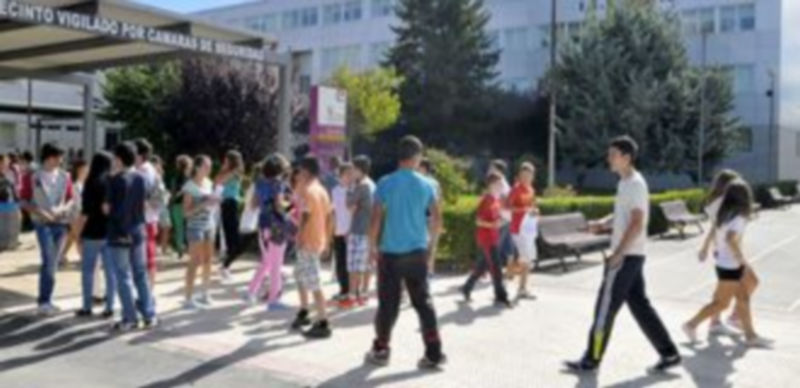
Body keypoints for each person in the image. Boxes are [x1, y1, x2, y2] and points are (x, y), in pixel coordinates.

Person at [565, 136, 680, 374]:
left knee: (604, 308)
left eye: (613, 155)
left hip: (626, 257)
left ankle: (591, 359)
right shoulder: (625, 183)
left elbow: (637, 223)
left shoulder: (635, 184)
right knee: (640, 306)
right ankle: (669, 353)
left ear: (627, 158)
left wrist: (618, 253)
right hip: (633, 256)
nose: (609, 158)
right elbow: (623, 216)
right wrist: (602, 223)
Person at [365, 135, 445, 369]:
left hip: (390, 254)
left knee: (388, 305)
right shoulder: (428, 184)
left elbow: (375, 219)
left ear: (399, 156)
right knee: (423, 303)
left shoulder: (385, 183)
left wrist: (371, 246)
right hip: (417, 252)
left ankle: (381, 349)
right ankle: (434, 353)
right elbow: (437, 221)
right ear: (417, 157)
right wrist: (431, 252)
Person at [683, 180, 770, 347]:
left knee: (742, 298)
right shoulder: (739, 217)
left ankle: (750, 336)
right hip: (730, 266)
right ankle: (691, 325)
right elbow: (730, 238)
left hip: (726, 264)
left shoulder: (724, 214)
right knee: (722, 303)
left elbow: (720, 235)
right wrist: (741, 259)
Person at [699, 169, 758, 335]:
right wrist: (706, 247)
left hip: (728, 251)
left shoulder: (724, 203)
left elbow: (715, 228)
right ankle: (723, 320)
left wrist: (705, 247)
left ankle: (727, 318)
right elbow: (716, 228)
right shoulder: (720, 204)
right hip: (727, 253)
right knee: (746, 283)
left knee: (739, 286)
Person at [106, 142, 157, 331]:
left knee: (123, 276)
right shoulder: (140, 178)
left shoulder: (114, 180)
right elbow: (143, 203)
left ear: (119, 159)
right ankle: (149, 315)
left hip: (118, 231)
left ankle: (130, 318)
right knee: (140, 274)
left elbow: (108, 208)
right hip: (138, 230)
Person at [20, 143, 75, 316]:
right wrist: (40, 212)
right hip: (42, 223)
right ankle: (44, 301)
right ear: (49, 157)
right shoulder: (32, 177)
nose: (61, 160)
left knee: (53, 262)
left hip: (61, 222)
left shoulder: (65, 176)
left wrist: (63, 208)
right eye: (59, 157)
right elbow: (23, 201)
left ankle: (46, 300)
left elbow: (71, 198)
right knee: (49, 259)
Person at [290, 156, 334, 339]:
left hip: (308, 241)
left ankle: (323, 321)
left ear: (306, 171)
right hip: (316, 240)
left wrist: (299, 237)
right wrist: (327, 241)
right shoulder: (321, 190)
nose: (298, 174)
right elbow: (330, 216)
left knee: (313, 281)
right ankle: (304, 311)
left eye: (300, 170)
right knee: (300, 275)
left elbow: (306, 216)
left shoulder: (309, 191)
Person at [244, 154, 294, 310]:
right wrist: (289, 207)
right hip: (277, 225)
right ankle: (273, 299)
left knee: (266, 261)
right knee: (276, 264)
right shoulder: (278, 183)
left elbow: (253, 204)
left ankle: (251, 291)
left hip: (263, 224)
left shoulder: (259, 182)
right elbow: (279, 205)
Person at [460, 172, 512, 308]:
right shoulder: (486, 200)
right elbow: (478, 221)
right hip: (486, 239)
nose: (501, 186)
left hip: (493, 237)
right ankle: (501, 296)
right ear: (491, 185)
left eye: (501, 184)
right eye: (498, 184)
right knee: (496, 267)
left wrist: (500, 222)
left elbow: (495, 218)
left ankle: (466, 288)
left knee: (481, 267)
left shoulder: (496, 200)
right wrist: (492, 225)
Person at [75, 151, 117, 319]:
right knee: (110, 272)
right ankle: (109, 307)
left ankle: (87, 307)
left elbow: (84, 213)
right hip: (109, 232)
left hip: (91, 232)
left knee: (88, 271)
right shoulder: (112, 182)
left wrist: (77, 234)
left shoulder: (89, 183)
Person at [181, 155, 218, 309]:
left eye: (210, 166)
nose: (209, 169)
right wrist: (203, 204)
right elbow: (185, 213)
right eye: (206, 166)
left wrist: (215, 201)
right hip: (195, 227)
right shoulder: (189, 186)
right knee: (194, 261)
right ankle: (188, 298)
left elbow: (210, 204)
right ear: (197, 167)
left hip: (209, 224)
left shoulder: (209, 183)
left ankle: (205, 293)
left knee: (208, 260)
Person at [344, 155, 376, 306]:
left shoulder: (361, 186)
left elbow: (348, 204)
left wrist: (349, 186)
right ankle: (363, 294)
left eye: (353, 169)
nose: (350, 172)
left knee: (354, 266)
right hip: (367, 231)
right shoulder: (371, 184)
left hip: (359, 231)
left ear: (360, 169)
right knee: (365, 265)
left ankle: (352, 296)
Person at [507, 162, 539, 300]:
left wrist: (535, 211)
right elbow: (507, 207)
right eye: (524, 175)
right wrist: (523, 210)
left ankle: (510, 272)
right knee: (526, 259)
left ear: (533, 176)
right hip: (518, 229)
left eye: (529, 175)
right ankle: (522, 289)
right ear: (520, 175)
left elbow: (533, 205)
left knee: (527, 259)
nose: (526, 178)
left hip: (529, 229)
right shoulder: (516, 189)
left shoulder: (531, 189)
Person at [133, 138, 160, 290]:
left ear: (138, 154)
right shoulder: (150, 169)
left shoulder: (143, 171)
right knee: (148, 255)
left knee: (145, 257)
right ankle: (148, 290)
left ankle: (147, 291)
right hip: (150, 218)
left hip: (144, 219)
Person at [218, 150, 245, 280]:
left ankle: (226, 266)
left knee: (234, 240)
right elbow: (218, 182)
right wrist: (229, 170)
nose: (224, 161)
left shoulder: (236, 173)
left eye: (226, 159)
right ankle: (225, 267)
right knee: (232, 239)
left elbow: (234, 190)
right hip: (227, 204)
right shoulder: (228, 172)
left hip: (232, 204)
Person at [332, 162, 353, 305]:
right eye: (347, 174)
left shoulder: (354, 190)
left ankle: (351, 291)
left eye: (351, 174)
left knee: (350, 263)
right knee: (340, 262)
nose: (350, 177)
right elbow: (334, 211)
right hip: (338, 231)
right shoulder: (335, 191)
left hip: (350, 232)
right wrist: (332, 229)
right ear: (340, 175)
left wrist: (350, 230)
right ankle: (343, 289)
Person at [60, 158, 88, 265]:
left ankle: (60, 255)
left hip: (78, 214)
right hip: (74, 215)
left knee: (72, 236)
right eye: (86, 168)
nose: (88, 170)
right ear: (80, 169)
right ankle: (84, 258)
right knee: (79, 237)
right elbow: (76, 203)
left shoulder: (82, 183)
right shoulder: (75, 185)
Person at [418, 158, 443, 275]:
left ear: (424, 168)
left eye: (419, 167)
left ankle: (425, 269)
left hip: (424, 217)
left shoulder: (423, 182)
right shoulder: (435, 183)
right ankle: (430, 270)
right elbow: (440, 201)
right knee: (432, 244)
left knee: (423, 244)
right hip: (431, 217)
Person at [488, 159, 514, 268]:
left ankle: (493, 270)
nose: (490, 170)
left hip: (501, 218)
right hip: (507, 218)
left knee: (495, 246)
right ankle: (509, 269)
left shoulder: (500, 184)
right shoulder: (504, 183)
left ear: (498, 170)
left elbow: (501, 202)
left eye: (492, 168)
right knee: (508, 246)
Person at [170, 155, 193, 260]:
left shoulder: (176, 178)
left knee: (179, 228)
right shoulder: (190, 179)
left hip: (177, 205)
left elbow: (173, 193)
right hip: (188, 205)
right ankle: (188, 248)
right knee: (188, 227)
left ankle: (180, 250)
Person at [0, 154, 21, 251]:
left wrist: (17, 200)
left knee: (12, 226)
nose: (7, 164)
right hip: (2, 205)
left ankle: (11, 243)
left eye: (7, 162)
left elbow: (13, 188)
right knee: (3, 226)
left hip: (11, 204)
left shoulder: (9, 173)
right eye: (5, 162)